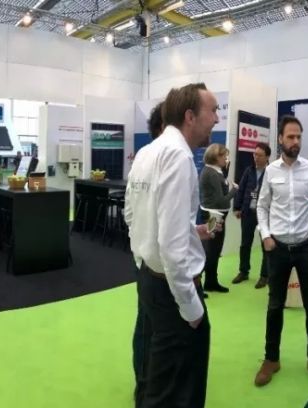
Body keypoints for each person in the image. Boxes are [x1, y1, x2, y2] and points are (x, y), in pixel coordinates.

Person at [125, 83, 218, 408]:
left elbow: (133, 215)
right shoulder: (178, 157)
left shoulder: (148, 152)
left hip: (149, 278)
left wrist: (187, 234)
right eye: (213, 111)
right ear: (190, 116)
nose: (217, 119)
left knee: (154, 377)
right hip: (172, 289)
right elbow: (171, 246)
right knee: (178, 392)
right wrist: (190, 307)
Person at [254, 115, 308, 387]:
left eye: (298, 136)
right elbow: (262, 206)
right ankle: (271, 359)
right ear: (280, 139)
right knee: (275, 305)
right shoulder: (271, 171)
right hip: (277, 248)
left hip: (307, 247)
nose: (295, 141)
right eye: (290, 136)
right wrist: (265, 235)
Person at [130, 101, 164, 401]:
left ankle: (144, 384)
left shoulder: (142, 155)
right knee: (152, 327)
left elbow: (130, 211)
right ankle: (148, 388)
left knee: (145, 325)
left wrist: (138, 246)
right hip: (157, 263)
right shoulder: (168, 158)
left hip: (144, 257)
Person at [232, 142, 271, 288]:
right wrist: (237, 207)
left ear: (267, 157)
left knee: (265, 245)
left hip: (265, 214)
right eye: (255, 154)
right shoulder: (249, 171)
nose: (256, 157)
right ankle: (243, 271)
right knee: (245, 244)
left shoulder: (271, 172)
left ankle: (264, 275)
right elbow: (241, 189)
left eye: (260, 155)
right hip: (248, 212)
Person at [199, 143, 236, 293]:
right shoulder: (212, 173)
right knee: (210, 251)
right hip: (213, 216)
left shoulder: (215, 171)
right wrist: (235, 190)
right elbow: (221, 200)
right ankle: (197, 285)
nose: (226, 159)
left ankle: (211, 281)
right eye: (224, 156)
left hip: (216, 215)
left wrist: (225, 170)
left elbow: (221, 188)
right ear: (216, 157)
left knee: (214, 251)